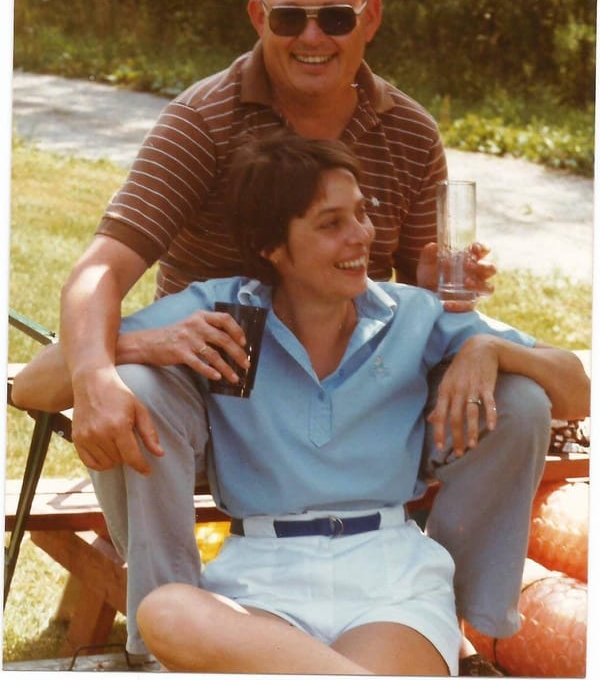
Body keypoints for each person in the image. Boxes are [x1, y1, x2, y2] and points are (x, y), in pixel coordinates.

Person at [12, 0, 556, 663]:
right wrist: (112, 360)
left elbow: (413, 291)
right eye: (288, 18)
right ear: (256, 16)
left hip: (357, 394)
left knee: (517, 399)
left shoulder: (408, 129)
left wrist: (460, 318)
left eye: (333, 17)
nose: (311, 36)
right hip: (217, 377)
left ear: (370, 17)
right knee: (130, 382)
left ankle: (443, 610)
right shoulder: (203, 121)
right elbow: (98, 273)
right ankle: (175, 626)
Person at [13, 131, 590, 676]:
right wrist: (142, 343)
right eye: (331, 224)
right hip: (258, 580)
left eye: (361, 213)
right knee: (165, 611)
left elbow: (576, 391)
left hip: (389, 578)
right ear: (272, 248)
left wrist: (488, 346)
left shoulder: (412, 314)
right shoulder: (224, 312)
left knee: (523, 391)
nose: (361, 235)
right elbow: (31, 387)